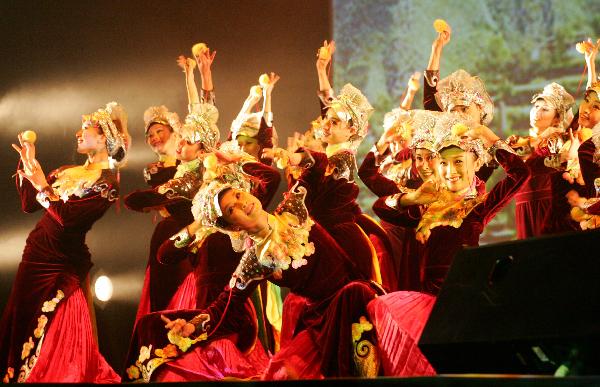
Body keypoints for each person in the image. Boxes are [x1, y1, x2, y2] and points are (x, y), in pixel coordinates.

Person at [133, 168, 383, 380]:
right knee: (283, 374)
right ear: (232, 227)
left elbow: (314, 167)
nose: (243, 204)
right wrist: (191, 326)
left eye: (239, 195)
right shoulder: (257, 260)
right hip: (323, 319)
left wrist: (292, 161)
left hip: (358, 294)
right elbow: (226, 307)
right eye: (233, 210)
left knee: (356, 297)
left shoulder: (293, 208)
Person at [370, 112, 529, 375]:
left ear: (476, 164)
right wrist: (411, 199)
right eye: (443, 163)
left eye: (458, 162)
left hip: (459, 304)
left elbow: (520, 173)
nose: (450, 171)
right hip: (423, 305)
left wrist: (488, 137)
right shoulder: (428, 204)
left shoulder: (476, 208)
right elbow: (381, 208)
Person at [0, 102, 128, 383]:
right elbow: (29, 204)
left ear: (103, 138)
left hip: (62, 261)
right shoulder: (67, 171)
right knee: (21, 315)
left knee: (57, 317)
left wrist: (42, 186)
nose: (77, 134)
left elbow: (68, 219)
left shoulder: (107, 183)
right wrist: (29, 162)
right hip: (36, 252)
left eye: (85, 130)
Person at [507, 83, 578, 237]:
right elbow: (519, 164)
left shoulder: (559, 140)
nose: (537, 112)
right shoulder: (522, 141)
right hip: (524, 207)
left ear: (557, 118)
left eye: (545, 109)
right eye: (536, 106)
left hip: (547, 206)